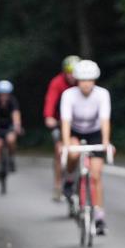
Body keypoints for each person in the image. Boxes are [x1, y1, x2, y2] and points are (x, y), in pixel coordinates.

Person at [60, 60, 113, 235]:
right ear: (76, 80)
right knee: (73, 154)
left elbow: (105, 119)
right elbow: (66, 121)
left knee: (96, 175)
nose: (86, 84)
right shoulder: (69, 94)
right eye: (82, 80)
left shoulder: (102, 94)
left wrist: (106, 142)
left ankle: (98, 215)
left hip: (95, 132)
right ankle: (69, 179)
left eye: (90, 80)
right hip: (75, 131)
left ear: (95, 80)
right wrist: (66, 144)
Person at [44, 55, 80, 200]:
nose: (71, 76)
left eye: (74, 72)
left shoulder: (83, 83)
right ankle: (58, 184)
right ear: (64, 72)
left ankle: (81, 177)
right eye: (68, 72)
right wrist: (49, 117)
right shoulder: (57, 82)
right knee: (60, 151)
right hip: (61, 122)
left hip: (80, 124)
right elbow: (50, 100)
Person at [0, 80, 22, 181]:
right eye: (2, 94)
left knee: (11, 139)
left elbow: (16, 114)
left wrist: (17, 126)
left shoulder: (12, 101)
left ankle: (11, 157)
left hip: (9, 126)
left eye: (6, 94)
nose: (4, 96)